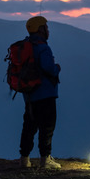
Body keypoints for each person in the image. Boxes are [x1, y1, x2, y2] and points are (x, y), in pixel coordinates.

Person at [19, 16, 62, 169]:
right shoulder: (43, 47)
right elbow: (49, 68)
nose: (48, 30)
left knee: (29, 126)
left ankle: (24, 159)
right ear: (41, 29)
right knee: (47, 127)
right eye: (46, 27)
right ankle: (45, 159)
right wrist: (57, 68)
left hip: (30, 95)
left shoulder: (25, 46)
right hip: (46, 94)